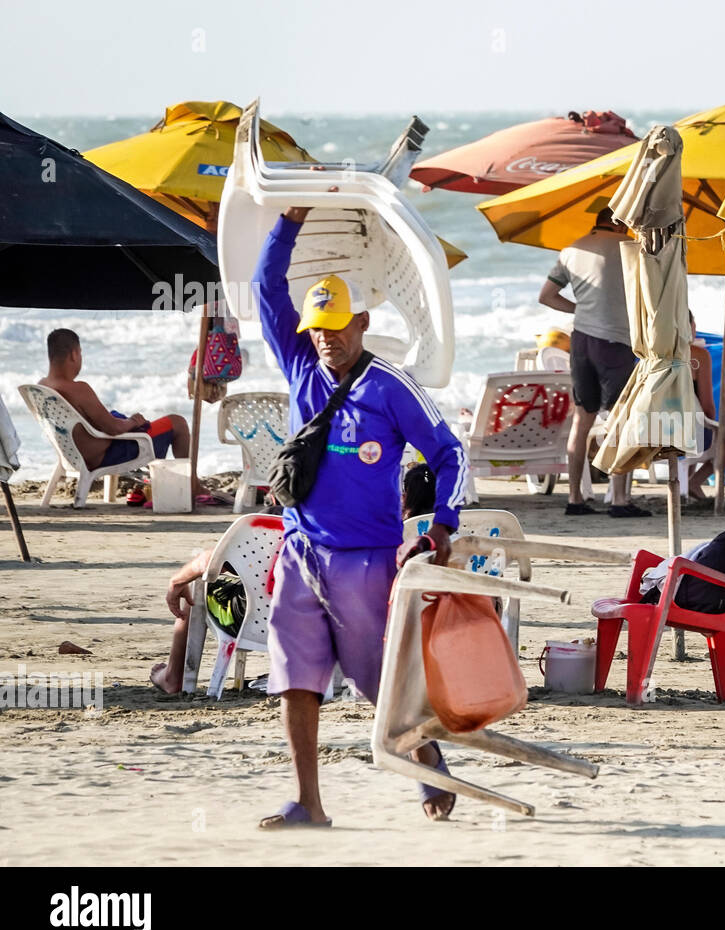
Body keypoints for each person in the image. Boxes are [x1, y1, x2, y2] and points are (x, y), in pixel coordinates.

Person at [253, 199, 469, 828]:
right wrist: (288, 223)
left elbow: (448, 453)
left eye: (338, 327)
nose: (328, 340)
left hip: (367, 561)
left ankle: (429, 764)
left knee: (378, 684)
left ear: (363, 322)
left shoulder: (390, 387)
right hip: (300, 553)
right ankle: (307, 803)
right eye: (318, 329)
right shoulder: (300, 369)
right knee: (296, 679)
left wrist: (440, 525)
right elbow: (268, 288)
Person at [149, 465, 442, 696]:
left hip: (276, 620)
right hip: (374, 627)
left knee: (196, 590)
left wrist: (178, 580)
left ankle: (174, 677)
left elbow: (211, 563)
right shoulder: (428, 539)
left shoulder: (280, 519)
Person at [539, 207, 648, 518]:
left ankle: (574, 498)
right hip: (617, 342)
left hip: (583, 341)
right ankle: (619, 499)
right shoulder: (632, 249)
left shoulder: (571, 249)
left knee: (582, 420)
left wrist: (584, 310)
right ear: (621, 222)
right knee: (621, 420)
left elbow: (547, 296)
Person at [37, 328, 191, 472]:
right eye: (80, 353)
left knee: (117, 417)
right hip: (102, 457)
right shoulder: (79, 389)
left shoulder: (40, 387)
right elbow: (114, 428)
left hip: (71, 457)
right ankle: (192, 485)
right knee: (177, 423)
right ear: (74, 354)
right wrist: (133, 421)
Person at [686, 313, 718, 500]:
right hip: (687, 436)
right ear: (690, 326)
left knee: (689, 421)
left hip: (651, 432)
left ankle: (689, 481)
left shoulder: (649, 353)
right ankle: (694, 481)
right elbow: (708, 408)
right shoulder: (698, 356)